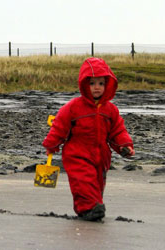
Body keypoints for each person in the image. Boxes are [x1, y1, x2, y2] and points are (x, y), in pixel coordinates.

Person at [42, 57, 134, 221]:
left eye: (100, 83)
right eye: (92, 83)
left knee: (97, 183)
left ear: (107, 85)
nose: (96, 87)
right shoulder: (73, 107)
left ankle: (91, 208)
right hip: (77, 153)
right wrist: (51, 144)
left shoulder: (111, 110)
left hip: (101, 155)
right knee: (83, 181)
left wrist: (124, 146)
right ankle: (90, 207)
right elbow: (59, 126)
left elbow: (117, 131)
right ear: (85, 85)